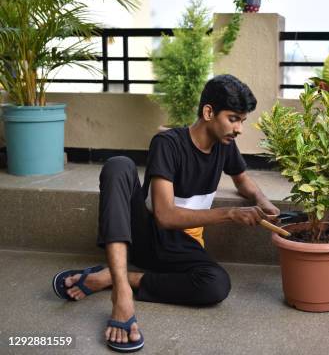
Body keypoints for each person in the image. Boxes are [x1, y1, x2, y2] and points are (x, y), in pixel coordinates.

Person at [51, 75, 280, 352]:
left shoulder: (225, 145)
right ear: (209, 112)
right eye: (233, 118)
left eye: (242, 120)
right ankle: (122, 295)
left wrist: (262, 200)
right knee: (119, 165)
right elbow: (165, 216)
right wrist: (230, 214)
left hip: (183, 247)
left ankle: (114, 276)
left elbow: (242, 180)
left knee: (216, 285)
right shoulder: (168, 143)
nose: (239, 128)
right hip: (146, 235)